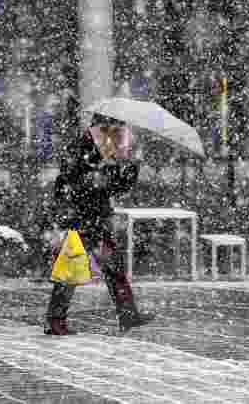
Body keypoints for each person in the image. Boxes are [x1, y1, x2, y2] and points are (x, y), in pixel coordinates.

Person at [44, 115, 156, 335]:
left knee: (113, 267)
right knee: (72, 267)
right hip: (81, 219)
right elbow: (69, 183)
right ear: (101, 128)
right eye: (114, 129)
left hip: (97, 218)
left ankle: (127, 314)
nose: (117, 135)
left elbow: (114, 188)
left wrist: (131, 168)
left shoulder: (105, 150)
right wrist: (96, 175)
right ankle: (55, 320)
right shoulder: (81, 148)